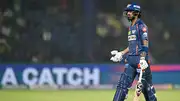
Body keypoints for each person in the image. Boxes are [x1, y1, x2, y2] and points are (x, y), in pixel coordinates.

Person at [110, 3, 157, 101]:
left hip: (141, 61)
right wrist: (121, 53)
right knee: (122, 86)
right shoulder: (131, 27)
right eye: (127, 11)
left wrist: (143, 58)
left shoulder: (141, 26)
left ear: (136, 13)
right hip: (131, 61)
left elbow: (145, 44)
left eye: (130, 11)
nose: (128, 13)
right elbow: (132, 46)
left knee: (147, 90)